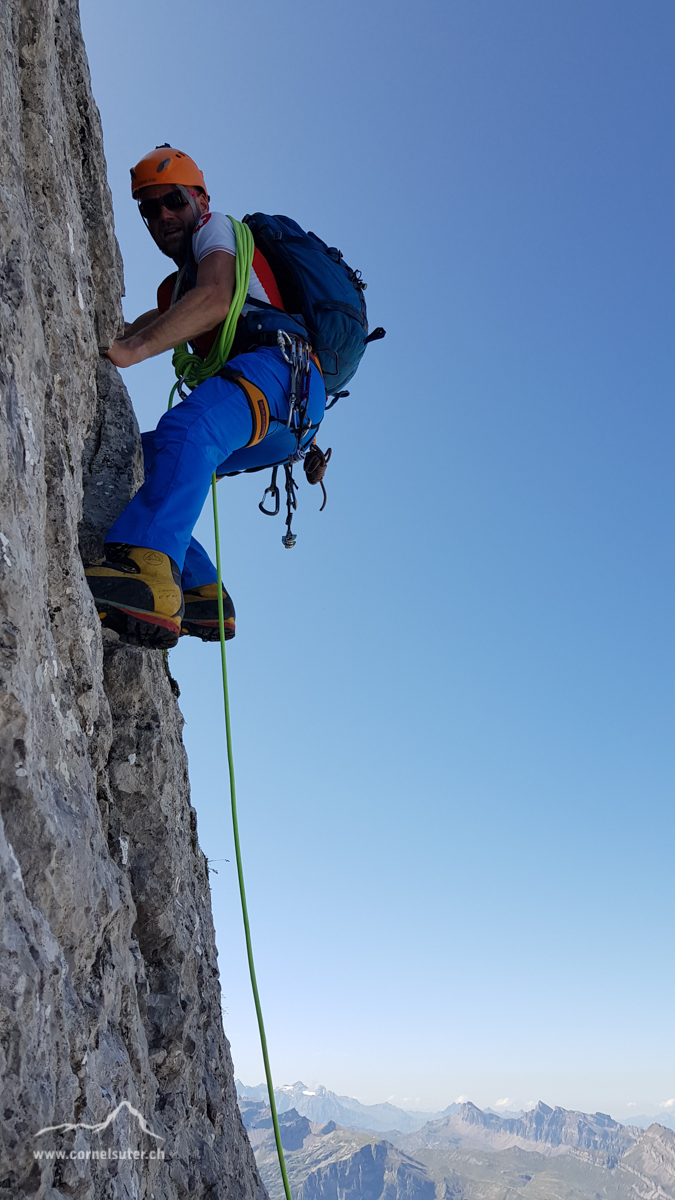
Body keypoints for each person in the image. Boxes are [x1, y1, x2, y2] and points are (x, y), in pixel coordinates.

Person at [86, 146, 326, 649]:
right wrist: (114, 335)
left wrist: (132, 350)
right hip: (286, 419)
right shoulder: (180, 286)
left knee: (187, 431)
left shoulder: (214, 231)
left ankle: (148, 575)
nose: (163, 216)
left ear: (199, 198)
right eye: (148, 209)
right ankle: (202, 592)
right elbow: (154, 320)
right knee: (145, 460)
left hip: (281, 369)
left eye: (172, 200)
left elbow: (216, 300)